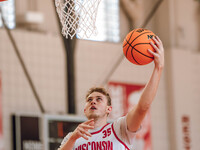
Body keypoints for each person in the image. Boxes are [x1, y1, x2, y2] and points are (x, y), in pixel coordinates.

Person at [58, 36, 164, 150]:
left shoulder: (120, 129)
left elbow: (143, 107)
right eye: (89, 100)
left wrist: (158, 68)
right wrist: (73, 138)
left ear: (109, 109)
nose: (93, 101)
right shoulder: (72, 138)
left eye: (99, 99)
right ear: (84, 110)